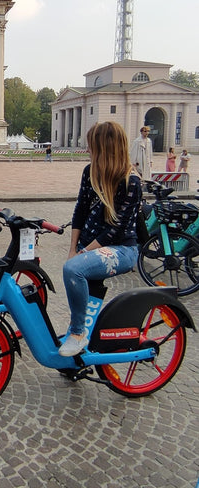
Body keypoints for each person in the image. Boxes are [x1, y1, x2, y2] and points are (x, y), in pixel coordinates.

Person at [59, 122, 142, 357]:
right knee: (73, 266)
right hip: (90, 246)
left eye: (91, 146)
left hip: (121, 249)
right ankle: (81, 343)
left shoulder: (131, 181)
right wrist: (73, 249)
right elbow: (80, 211)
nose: (87, 150)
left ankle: (77, 333)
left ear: (104, 148)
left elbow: (115, 230)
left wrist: (82, 255)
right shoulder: (90, 171)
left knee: (74, 270)